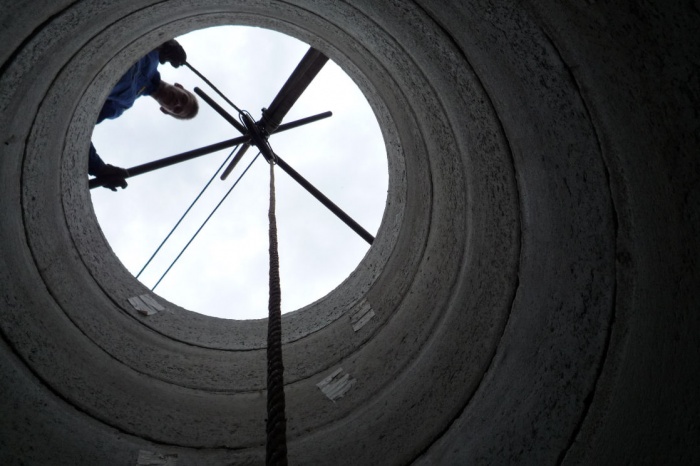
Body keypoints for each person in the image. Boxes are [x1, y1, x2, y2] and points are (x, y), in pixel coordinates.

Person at [89, 39, 199, 191]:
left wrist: (99, 168)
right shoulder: (156, 52)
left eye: (177, 110)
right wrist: (170, 42)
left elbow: (80, 126)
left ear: (165, 111)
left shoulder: (121, 105)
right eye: (183, 98)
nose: (177, 103)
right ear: (179, 86)